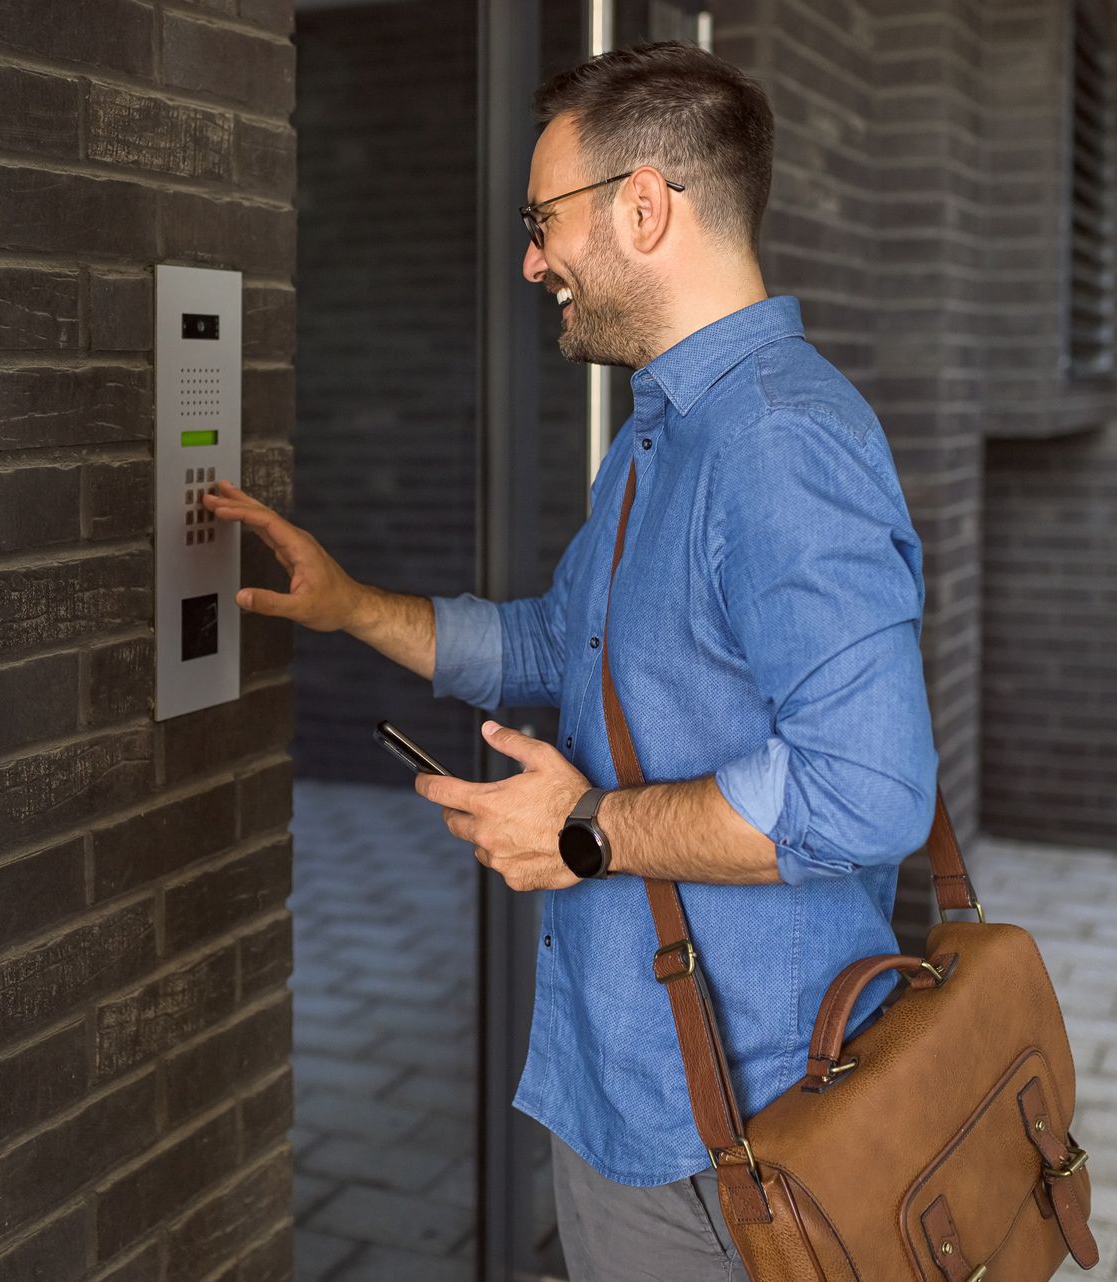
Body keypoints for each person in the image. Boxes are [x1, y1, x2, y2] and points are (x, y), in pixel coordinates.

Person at [205, 41, 938, 1282]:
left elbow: (869, 789)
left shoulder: (775, 444)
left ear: (645, 207)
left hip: (742, 1133)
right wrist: (351, 607)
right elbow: (562, 643)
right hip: (640, 1091)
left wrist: (587, 829)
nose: (534, 259)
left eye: (546, 220)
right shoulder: (665, 436)